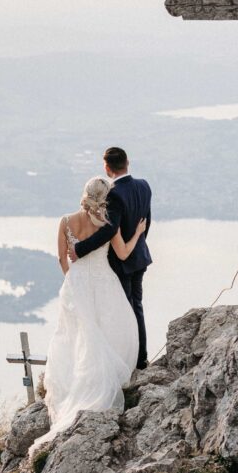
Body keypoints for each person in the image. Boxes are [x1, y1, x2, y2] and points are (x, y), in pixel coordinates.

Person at [28, 175, 147, 455]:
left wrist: (73, 282)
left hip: (77, 284)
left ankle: (75, 383)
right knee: (110, 328)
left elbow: (62, 257)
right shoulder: (108, 224)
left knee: (76, 335)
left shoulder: (66, 221)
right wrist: (138, 233)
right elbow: (123, 253)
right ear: (105, 198)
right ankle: (102, 381)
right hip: (104, 282)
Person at [69, 146, 152, 370]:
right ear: (128, 162)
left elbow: (109, 229)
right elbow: (146, 222)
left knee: (124, 312)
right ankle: (141, 357)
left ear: (107, 167)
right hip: (139, 256)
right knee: (136, 307)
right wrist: (137, 246)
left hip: (121, 261)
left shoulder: (113, 193)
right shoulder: (144, 186)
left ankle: (130, 359)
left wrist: (80, 249)